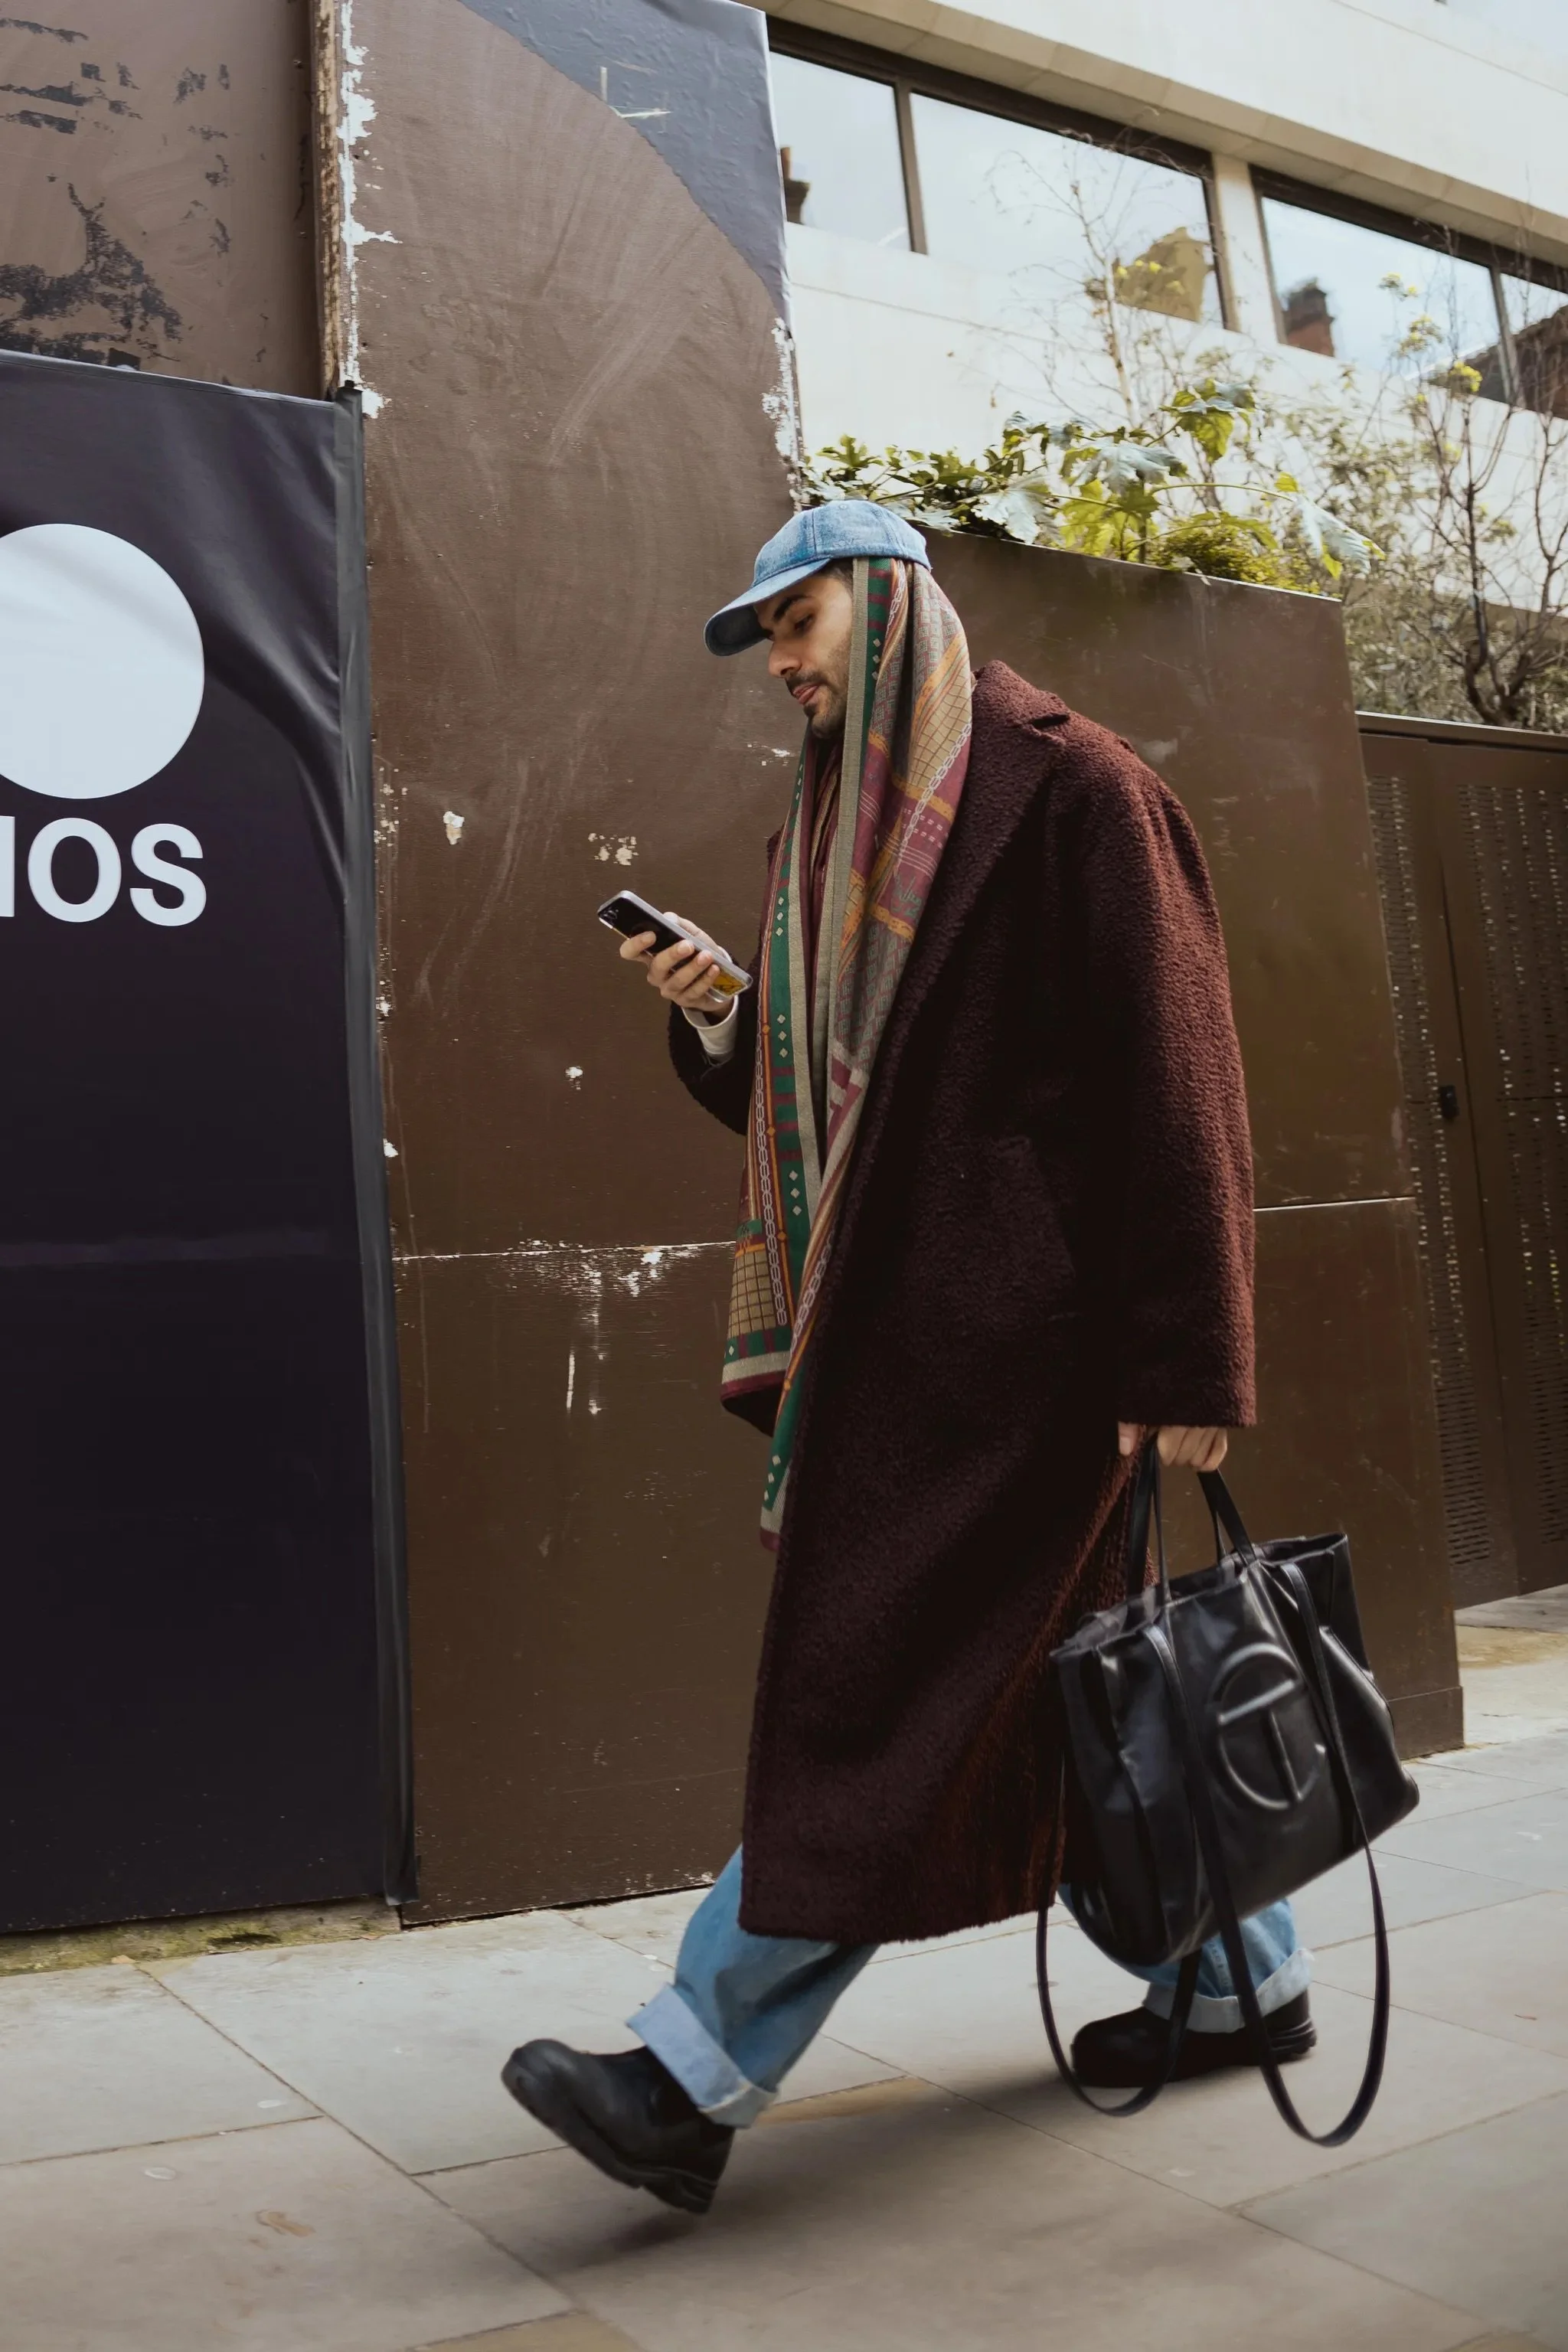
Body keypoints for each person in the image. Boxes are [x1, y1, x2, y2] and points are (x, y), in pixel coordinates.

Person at [503, 501, 1313, 2216]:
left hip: (1035, 1368)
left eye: (796, 623)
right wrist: (721, 1010)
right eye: (764, 638)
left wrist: (1192, 1356)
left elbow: (1180, 1081)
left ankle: (689, 2077)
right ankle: (1242, 1981)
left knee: (881, 1698)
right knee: (1061, 1693)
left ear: (886, 607)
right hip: (902, 1357)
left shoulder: (1076, 788)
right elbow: (824, 1113)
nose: (777, 664)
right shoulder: (832, 839)